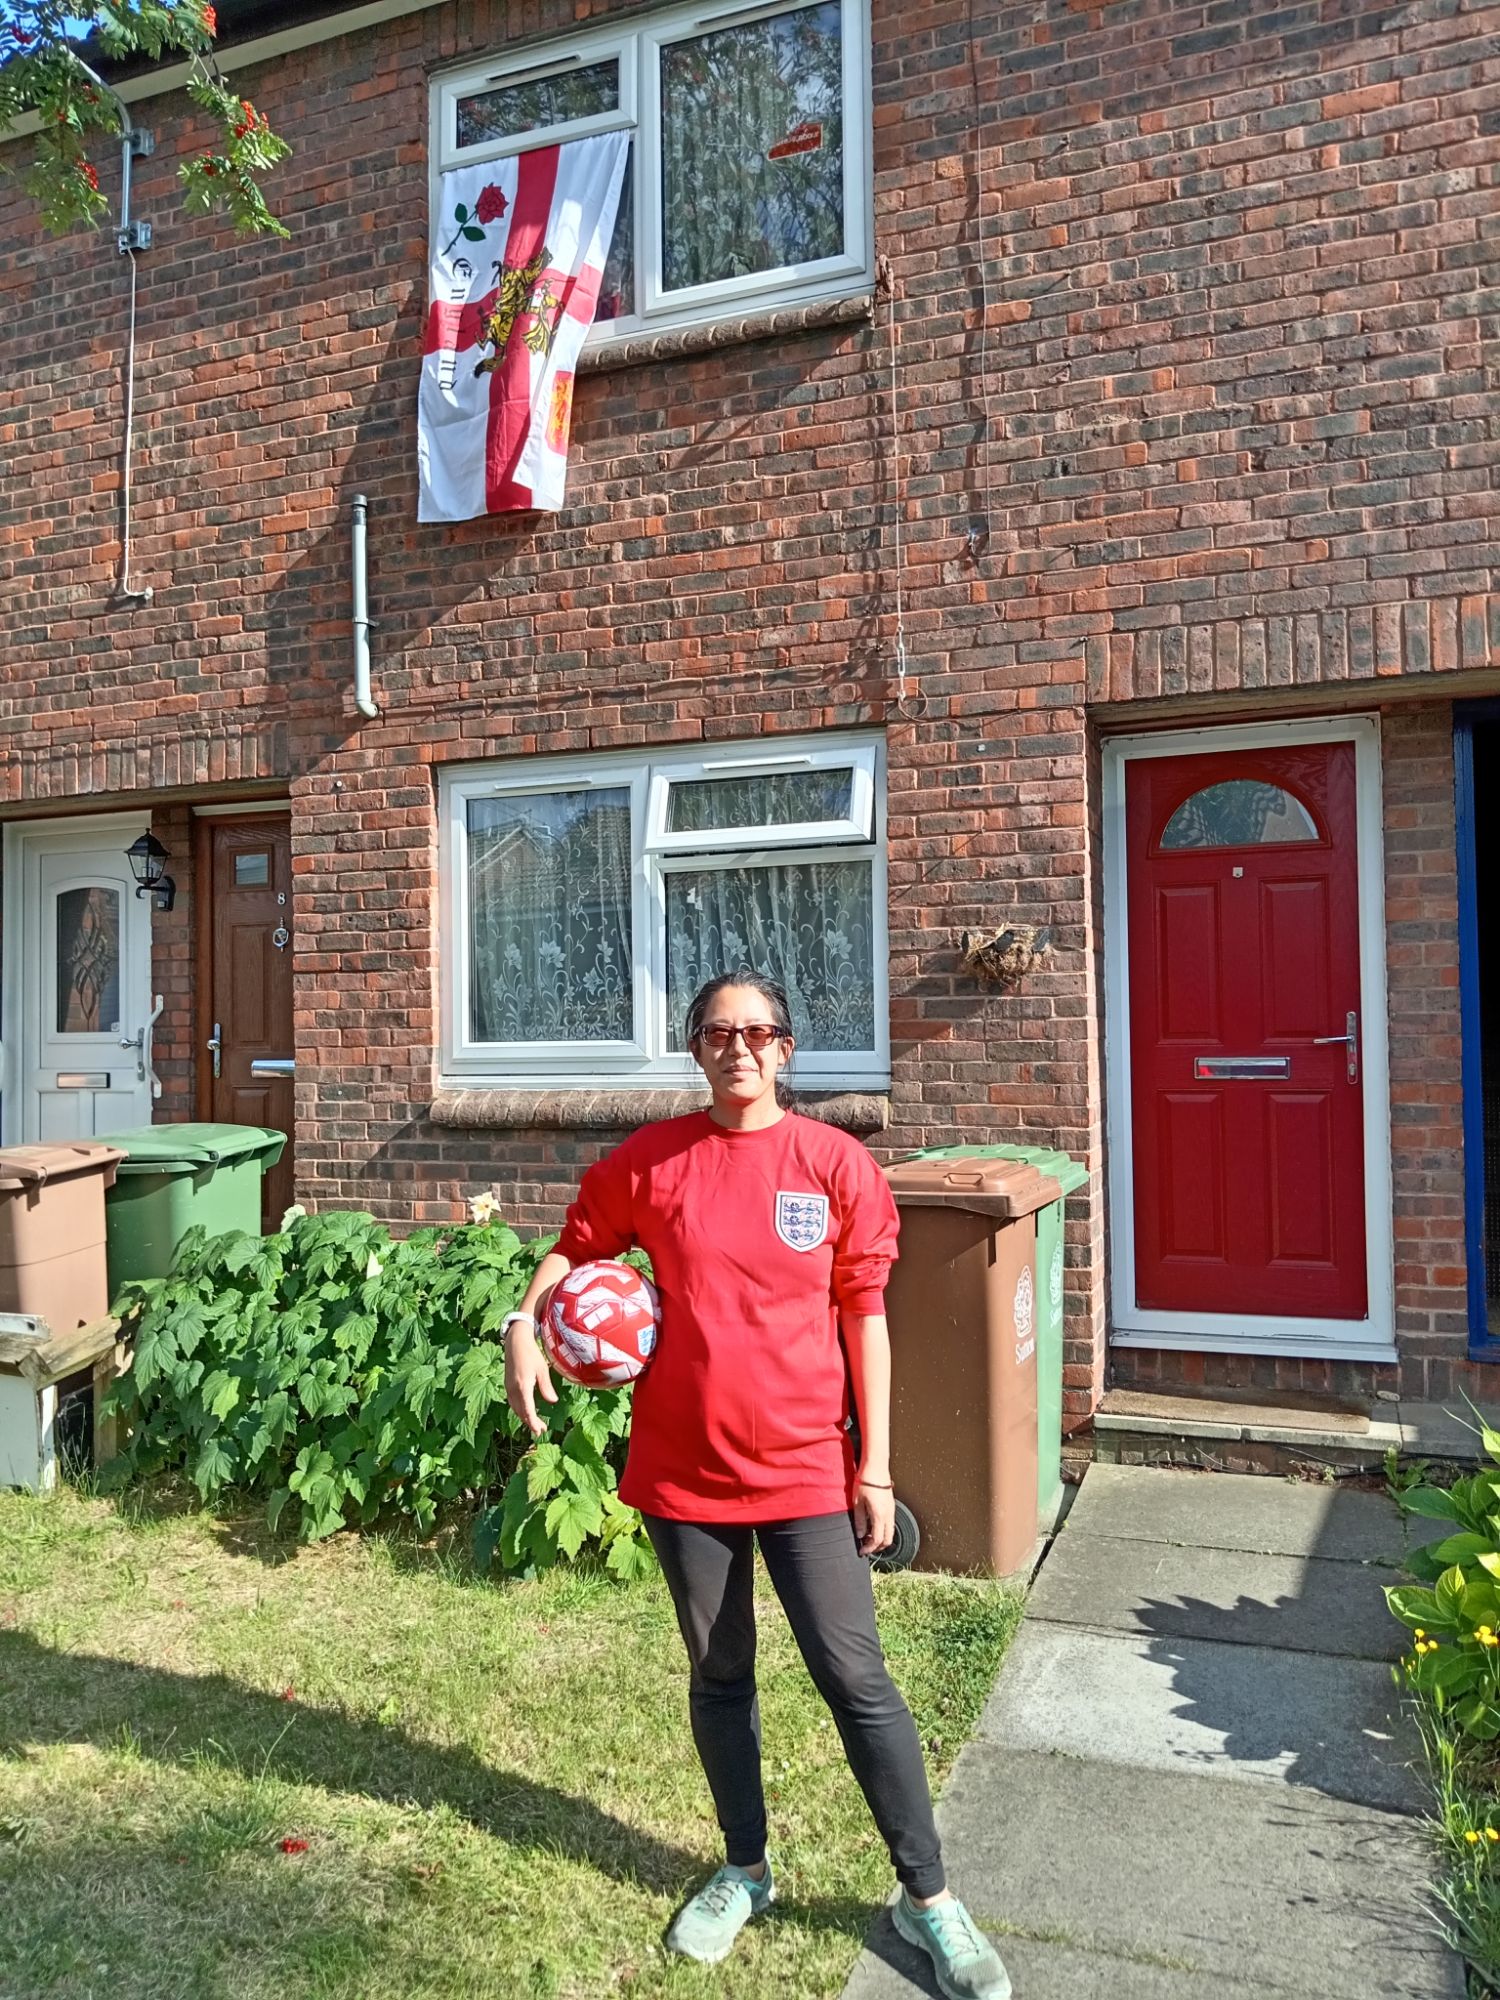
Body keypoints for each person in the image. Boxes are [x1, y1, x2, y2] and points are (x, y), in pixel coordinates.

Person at [501, 971, 1010, 2000]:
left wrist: (874, 1465)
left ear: (786, 1049)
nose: (740, 1047)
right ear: (697, 1048)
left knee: (855, 1677)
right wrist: (523, 1320)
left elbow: (866, 1319)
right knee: (720, 1671)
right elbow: (575, 1249)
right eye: (719, 1032)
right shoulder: (652, 1162)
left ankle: (928, 1896)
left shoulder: (834, 1164)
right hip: (684, 1474)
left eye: (759, 1031)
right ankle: (745, 1868)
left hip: (806, 1466)